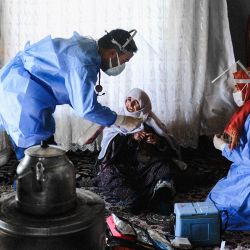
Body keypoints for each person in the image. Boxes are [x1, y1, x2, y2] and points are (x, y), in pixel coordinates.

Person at [0, 29, 142, 163]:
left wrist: (101, 122)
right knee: (35, 160)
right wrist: (123, 120)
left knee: (46, 152)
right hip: (23, 96)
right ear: (112, 53)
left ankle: (41, 185)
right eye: (124, 61)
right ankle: (27, 187)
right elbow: (86, 108)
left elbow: (78, 96)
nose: (122, 65)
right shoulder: (82, 63)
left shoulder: (88, 49)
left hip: (27, 92)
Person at [94, 88, 187, 215]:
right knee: (109, 174)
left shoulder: (150, 121)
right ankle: (134, 197)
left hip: (145, 166)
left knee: (165, 167)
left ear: (143, 106)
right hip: (121, 165)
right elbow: (110, 149)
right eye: (129, 100)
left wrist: (157, 141)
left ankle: (160, 197)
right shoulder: (117, 119)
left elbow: (168, 148)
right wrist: (131, 137)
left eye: (135, 102)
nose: (130, 105)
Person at [207, 68, 250, 231]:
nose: (235, 92)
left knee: (222, 207)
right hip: (243, 169)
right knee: (217, 196)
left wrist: (223, 147)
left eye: (237, 88)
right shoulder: (246, 112)